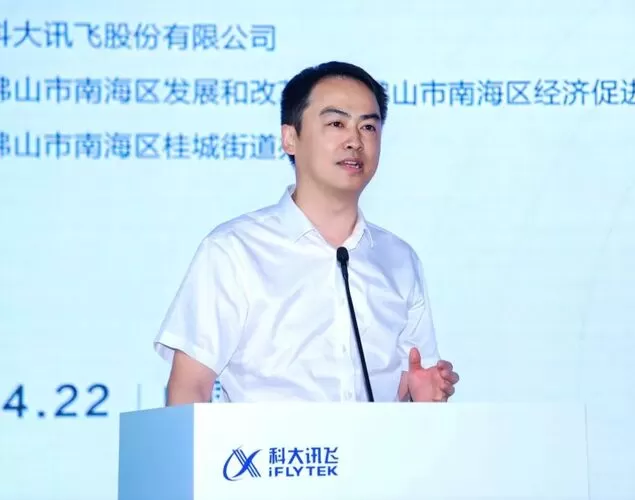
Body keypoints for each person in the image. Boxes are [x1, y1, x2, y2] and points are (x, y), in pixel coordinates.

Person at [154, 61, 459, 404]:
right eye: (336, 123)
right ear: (290, 138)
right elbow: (189, 387)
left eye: (368, 127)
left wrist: (420, 398)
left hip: (377, 443)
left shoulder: (399, 259)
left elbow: (406, 389)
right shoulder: (234, 251)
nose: (355, 141)